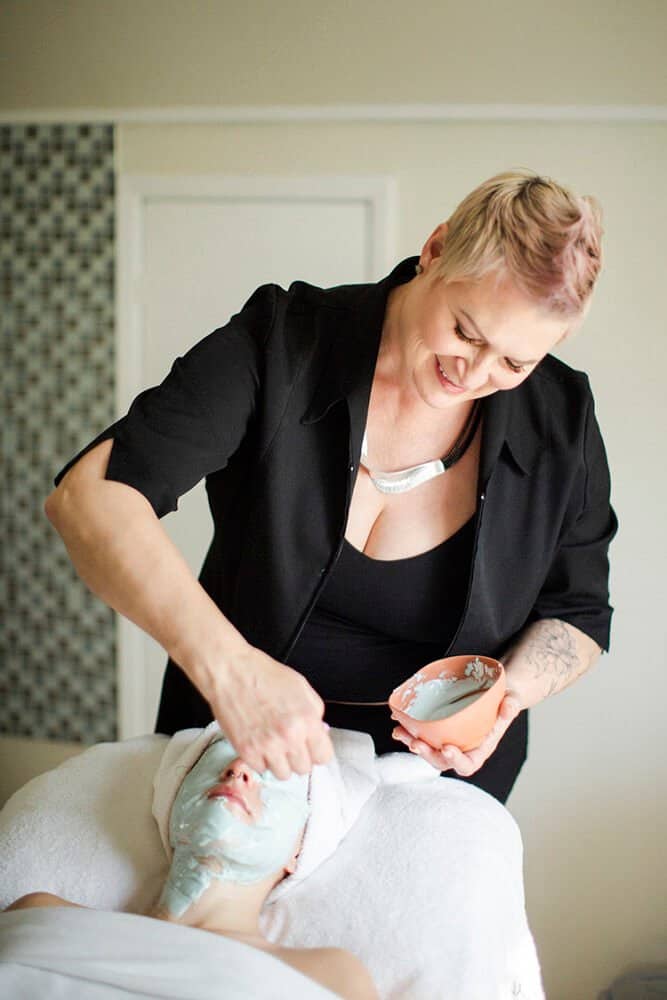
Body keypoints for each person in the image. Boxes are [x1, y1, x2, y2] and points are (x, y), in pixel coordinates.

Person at [45, 168, 617, 804]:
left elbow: (579, 612)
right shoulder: (282, 342)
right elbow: (90, 496)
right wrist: (231, 671)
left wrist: (505, 698)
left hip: (434, 782)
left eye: (515, 362)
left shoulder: (562, 418)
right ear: (434, 251)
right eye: (465, 331)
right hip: (239, 747)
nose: (475, 373)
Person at [6, 731, 378, 1000]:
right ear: (172, 808)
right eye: (218, 758)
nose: (238, 768)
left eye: (276, 777)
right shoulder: (40, 913)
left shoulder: (332, 977)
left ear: (300, 847)